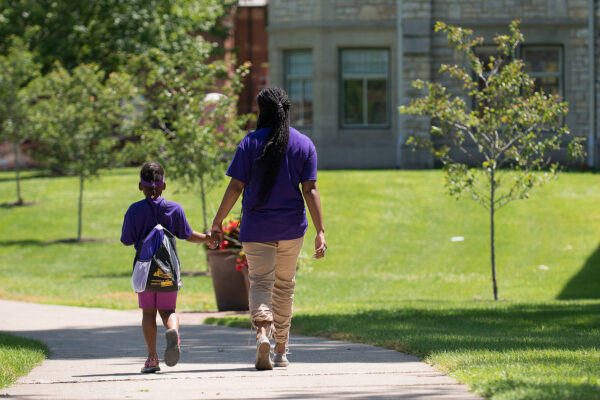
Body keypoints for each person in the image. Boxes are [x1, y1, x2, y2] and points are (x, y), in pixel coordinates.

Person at [210, 87, 327, 370]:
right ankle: (281, 350)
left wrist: (217, 222)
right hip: (291, 229)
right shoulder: (304, 145)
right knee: (284, 287)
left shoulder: (249, 143)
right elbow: (310, 190)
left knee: (260, 283)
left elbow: (236, 186)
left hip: (256, 228)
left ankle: (263, 332)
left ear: (262, 111)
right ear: (287, 111)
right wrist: (320, 230)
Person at [121, 161, 212, 373]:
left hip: (144, 272)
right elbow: (188, 235)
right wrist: (208, 238)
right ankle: (172, 331)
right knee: (168, 311)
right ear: (164, 185)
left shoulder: (134, 211)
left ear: (140, 186)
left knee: (148, 313)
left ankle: (152, 359)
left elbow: (126, 240)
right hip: (168, 270)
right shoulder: (174, 209)